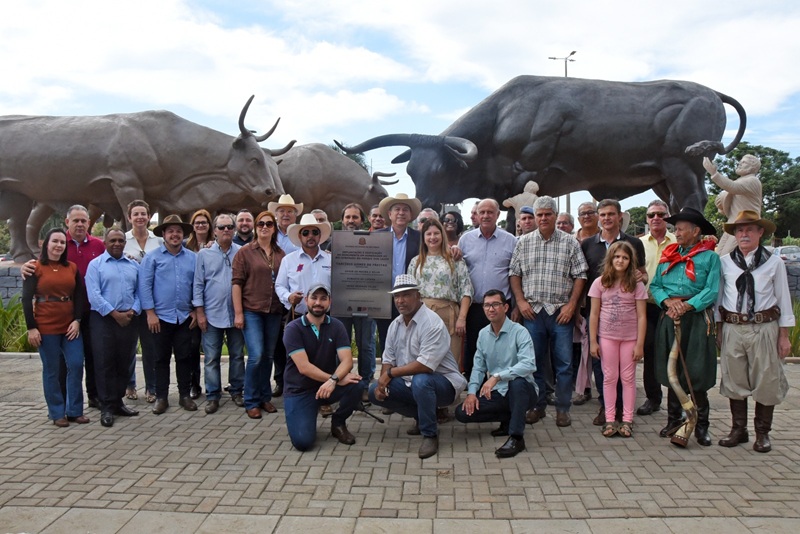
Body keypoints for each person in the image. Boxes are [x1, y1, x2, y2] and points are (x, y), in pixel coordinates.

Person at [715, 210, 794, 453]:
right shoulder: (725, 262)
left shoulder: (774, 263)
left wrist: (784, 336)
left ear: (761, 232)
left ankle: (762, 433)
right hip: (733, 326)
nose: (744, 234)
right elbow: (719, 298)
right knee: (734, 379)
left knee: (767, 379)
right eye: (739, 230)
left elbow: (783, 299)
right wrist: (719, 328)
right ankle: (738, 429)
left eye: (750, 229)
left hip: (764, 327)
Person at [368, 275, 467, 459]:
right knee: (373, 391)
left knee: (422, 381)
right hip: (411, 383)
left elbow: (425, 366)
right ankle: (423, 417)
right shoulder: (395, 325)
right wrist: (382, 382)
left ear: (418, 296)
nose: (400, 300)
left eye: (406, 295)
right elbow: (388, 359)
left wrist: (390, 373)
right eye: (397, 296)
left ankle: (430, 434)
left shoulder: (432, 323)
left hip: (443, 384)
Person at [510, 196, 588, 428]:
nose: (543, 218)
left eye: (548, 214)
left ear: (555, 215)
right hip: (533, 312)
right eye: (540, 215)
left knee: (564, 364)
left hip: (560, 312)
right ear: (535, 217)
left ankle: (563, 409)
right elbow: (514, 273)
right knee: (533, 362)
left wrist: (572, 305)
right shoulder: (523, 242)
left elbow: (580, 275)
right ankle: (537, 406)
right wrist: (520, 302)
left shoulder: (570, 242)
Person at [650, 207, 720, 446]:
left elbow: (711, 289)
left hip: (697, 319)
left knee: (696, 370)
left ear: (696, 230)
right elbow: (656, 285)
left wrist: (688, 305)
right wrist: (669, 302)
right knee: (672, 369)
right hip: (670, 316)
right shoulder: (668, 254)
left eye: (680, 229)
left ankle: (701, 426)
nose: (676, 233)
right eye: (676, 229)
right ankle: (674, 420)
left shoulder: (710, 257)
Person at [580, 199, 647, 426]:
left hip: (627, 320)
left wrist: (640, 278)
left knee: (626, 373)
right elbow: (582, 278)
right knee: (602, 369)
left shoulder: (633, 243)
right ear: (598, 217)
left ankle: (623, 412)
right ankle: (606, 408)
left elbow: (643, 274)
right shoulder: (588, 244)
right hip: (598, 314)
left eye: (611, 214)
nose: (607, 218)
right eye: (603, 214)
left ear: (619, 216)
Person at [454, 290, 537, 458]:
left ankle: (516, 437)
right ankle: (509, 420)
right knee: (462, 413)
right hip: (498, 392)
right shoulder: (483, 334)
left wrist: (497, 376)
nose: (490, 309)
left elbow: (529, 364)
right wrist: (471, 393)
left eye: (495, 305)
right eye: (487, 305)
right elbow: (478, 367)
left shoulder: (520, 332)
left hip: (523, 392)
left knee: (517, 383)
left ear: (505, 307)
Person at [282, 284, 363, 451]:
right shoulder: (293, 328)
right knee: (303, 443)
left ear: (329, 302)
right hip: (300, 390)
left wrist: (334, 380)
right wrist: (333, 380)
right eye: (314, 298)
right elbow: (304, 367)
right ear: (306, 300)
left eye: (323, 299)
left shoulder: (337, 326)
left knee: (357, 384)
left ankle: (338, 423)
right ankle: (307, 413)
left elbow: (347, 361)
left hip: (327, 387)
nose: (318, 302)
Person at [22, 228, 88, 427]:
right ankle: (57, 412)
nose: (59, 245)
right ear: (47, 244)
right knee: (52, 369)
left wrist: (77, 320)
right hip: (46, 327)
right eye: (55, 241)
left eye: (62, 242)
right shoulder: (34, 267)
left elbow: (79, 296)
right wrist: (31, 328)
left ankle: (74, 411)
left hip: (70, 326)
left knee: (76, 365)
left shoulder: (72, 268)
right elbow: (26, 299)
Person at [138, 214, 197, 415]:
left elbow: (197, 286)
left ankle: (185, 395)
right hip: (160, 318)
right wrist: (150, 313)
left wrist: (196, 310)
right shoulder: (152, 257)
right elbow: (145, 286)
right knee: (160, 358)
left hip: (184, 317)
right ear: (163, 234)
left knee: (184, 357)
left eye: (178, 231)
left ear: (183, 235)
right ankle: (161, 397)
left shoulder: (192, 258)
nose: (175, 235)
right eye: (170, 231)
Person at [588, 241, 647, 438]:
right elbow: (594, 314)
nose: (620, 260)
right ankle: (610, 418)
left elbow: (642, 316)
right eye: (617, 257)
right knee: (609, 377)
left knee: (628, 378)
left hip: (630, 339)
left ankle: (627, 420)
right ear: (610, 259)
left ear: (631, 261)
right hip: (607, 338)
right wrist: (593, 341)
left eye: (625, 257)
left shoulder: (636, 285)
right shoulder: (600, 283)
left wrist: (639, 344)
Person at [85, 228, 141, 427]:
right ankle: (106, 407)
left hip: (129, 319)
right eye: (113, 240)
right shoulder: (96, 265)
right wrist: (115, 314)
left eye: (120, 240)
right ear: (105, 242)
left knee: (124, 362)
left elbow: (140, 292)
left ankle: (118, 402)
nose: (117, 244)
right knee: (105, 363)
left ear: (125, 242)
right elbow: (94, 295)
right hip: (104, 319)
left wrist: (132, 311)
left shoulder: (134, 265)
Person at [231, 210, 285, 418]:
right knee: (256, 355)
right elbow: (236, 284)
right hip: (251, 310)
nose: (264, 227)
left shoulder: (280, 254)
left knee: (269, 356)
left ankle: (264, 397)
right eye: (261, 223)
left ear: (274, 228)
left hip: (274, 311)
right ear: (255, 227)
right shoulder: (244, 253)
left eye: (269, 224)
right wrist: (238, 313)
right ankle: (251, 400)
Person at [458, 198, 517, 379]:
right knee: (474, 349)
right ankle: (474, 389)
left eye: (490, 212)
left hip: (501, 307)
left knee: (503, 350)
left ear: (498, 215)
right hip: (474, 306)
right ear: (476, 215)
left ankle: (501, 389)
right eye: (482, 212)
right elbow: (458, 272)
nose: (485, 216)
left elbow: (516, 275)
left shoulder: (511, 241)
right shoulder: (465, 240)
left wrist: (515, 306)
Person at [192, 213, 244, 414]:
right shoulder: (204, 255)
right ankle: (213, 395)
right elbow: (198, 284)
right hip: (211, 314)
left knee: (237, 355)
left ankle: (237, 391)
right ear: (214, 231)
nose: (226, 230)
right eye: (221, 227)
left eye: (230, 226)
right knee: (211, 357)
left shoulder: (242, 252)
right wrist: (200, 312)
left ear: (234, 230)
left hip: (236, 314)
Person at [408, 219, 473, 369]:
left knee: (450, 361)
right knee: (423, 359)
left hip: (448, 315)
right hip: (422, 315)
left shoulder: (455, 260)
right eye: (428, 234)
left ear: (442, 235)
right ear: (423, 237)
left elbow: (466, 290)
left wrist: (462, 318)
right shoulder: (415, 262)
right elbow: (410, 293)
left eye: (436, 233)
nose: (433, 237)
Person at [373, 193, 422, 370]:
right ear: (390, 214)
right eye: (397, 209)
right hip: (383, 298)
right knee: (387, 339)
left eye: (405, 209)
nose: (401, 213)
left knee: (411, 339)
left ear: (410, 215)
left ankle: (407, 376)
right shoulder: (376, 237)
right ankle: (387, 376)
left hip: (410, 298)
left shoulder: (420, 237)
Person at [637, 200, 676, 417]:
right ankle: (653, 398)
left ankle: (677, 401)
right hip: (648, 306)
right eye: (651, 215)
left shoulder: (678, 241)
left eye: (660, 214)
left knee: (673, 352)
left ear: (667, 217)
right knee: (650, 352)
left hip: (673, 307)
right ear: (647, 218)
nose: (656, 218)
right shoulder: (639, 244)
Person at [122, 199, 161, 403]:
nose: (140, 217)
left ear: (149, 217)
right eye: (135, 214)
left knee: (150, 347)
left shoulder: (158, 241)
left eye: (143, 214)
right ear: (129, 218)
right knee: (129, 347)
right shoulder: (122, 240)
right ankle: (130, 385)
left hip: (152, 303)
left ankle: (151, 388)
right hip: (129, 302)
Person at [336, 203, 376, 399]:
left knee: (366, 345)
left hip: (367, 302)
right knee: (341, 345)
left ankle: (365, 384)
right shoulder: (333, 243)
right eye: (348, 217)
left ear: (362, 220)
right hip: (342, 303)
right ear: (342, 220)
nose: (351, 220)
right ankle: (342, 382)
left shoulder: (374, 243)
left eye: (355, 217)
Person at [703, 155, 763, 256]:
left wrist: (714, 173)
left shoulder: (753, 181)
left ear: (752, 167)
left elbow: (732, 186)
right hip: (732, 225)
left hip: (745, 227)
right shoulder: (741, 181)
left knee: (726, 256)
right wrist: (722, 202)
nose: (739, 164)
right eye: (740, 161)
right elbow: (729, 199)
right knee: (718, 256)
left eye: (744, 162)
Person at [184, 209, 213, 400]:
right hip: (193, 305)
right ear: (193, 226)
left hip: (213, 303)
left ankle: (214, 385)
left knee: (212, 349)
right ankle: (194, 384)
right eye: (197, 223)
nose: (201, 225)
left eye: (204, 222)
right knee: (193, 347)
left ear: (209, 225)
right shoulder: (185, 247)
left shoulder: (215, 245)